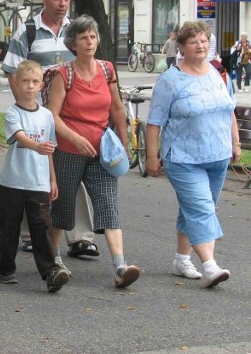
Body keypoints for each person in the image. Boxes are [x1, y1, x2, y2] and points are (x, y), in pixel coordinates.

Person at [1, 0, 99, 259]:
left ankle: (80, 236)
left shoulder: (76, 30)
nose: (63, 4)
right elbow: (12, 69)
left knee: (71, 172)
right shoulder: (28, 31)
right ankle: (31, 232)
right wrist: (24, 106)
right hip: (35, 113)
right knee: (33, 168)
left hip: (70, 114)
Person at [48, 15, 140, 288]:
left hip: (102, 150)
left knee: (108, 204)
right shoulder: (64, 74)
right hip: (68, 150)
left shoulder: (107, 69)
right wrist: (75, 138)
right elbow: (52, 116)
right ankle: (52, 260)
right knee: (62, 207)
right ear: (73, 44)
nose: (89, 41)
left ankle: (120, 266)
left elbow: (116, 108)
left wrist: (123, 142)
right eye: (83, 38)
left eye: (93, 36)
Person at [146, 21, 238, 288]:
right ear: (182, 47)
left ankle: (181, 259)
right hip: (183, 158)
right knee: (201, 209)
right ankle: (210, 266)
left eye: (204, 40)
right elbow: (154, 122)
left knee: (194, 208)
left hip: (218, 155)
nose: (200, 45)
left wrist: (235, 142)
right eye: (194, 41)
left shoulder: (217, 72)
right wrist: (152, 157)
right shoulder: (170, 80)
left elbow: (228, 108)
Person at [0, 60, 69, 292]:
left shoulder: (47, 115)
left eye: (35, 82)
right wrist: (36, 147)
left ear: (41, 85)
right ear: (16, 82)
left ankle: (50, 272)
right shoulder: (12, 113)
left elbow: (49, 150)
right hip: (13, 182)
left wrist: (52, 179)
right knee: (10, 227)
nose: (29, 86)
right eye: (25, 81)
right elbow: (19, 136)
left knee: (41, 227)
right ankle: (5, 268)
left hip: (38, 182)